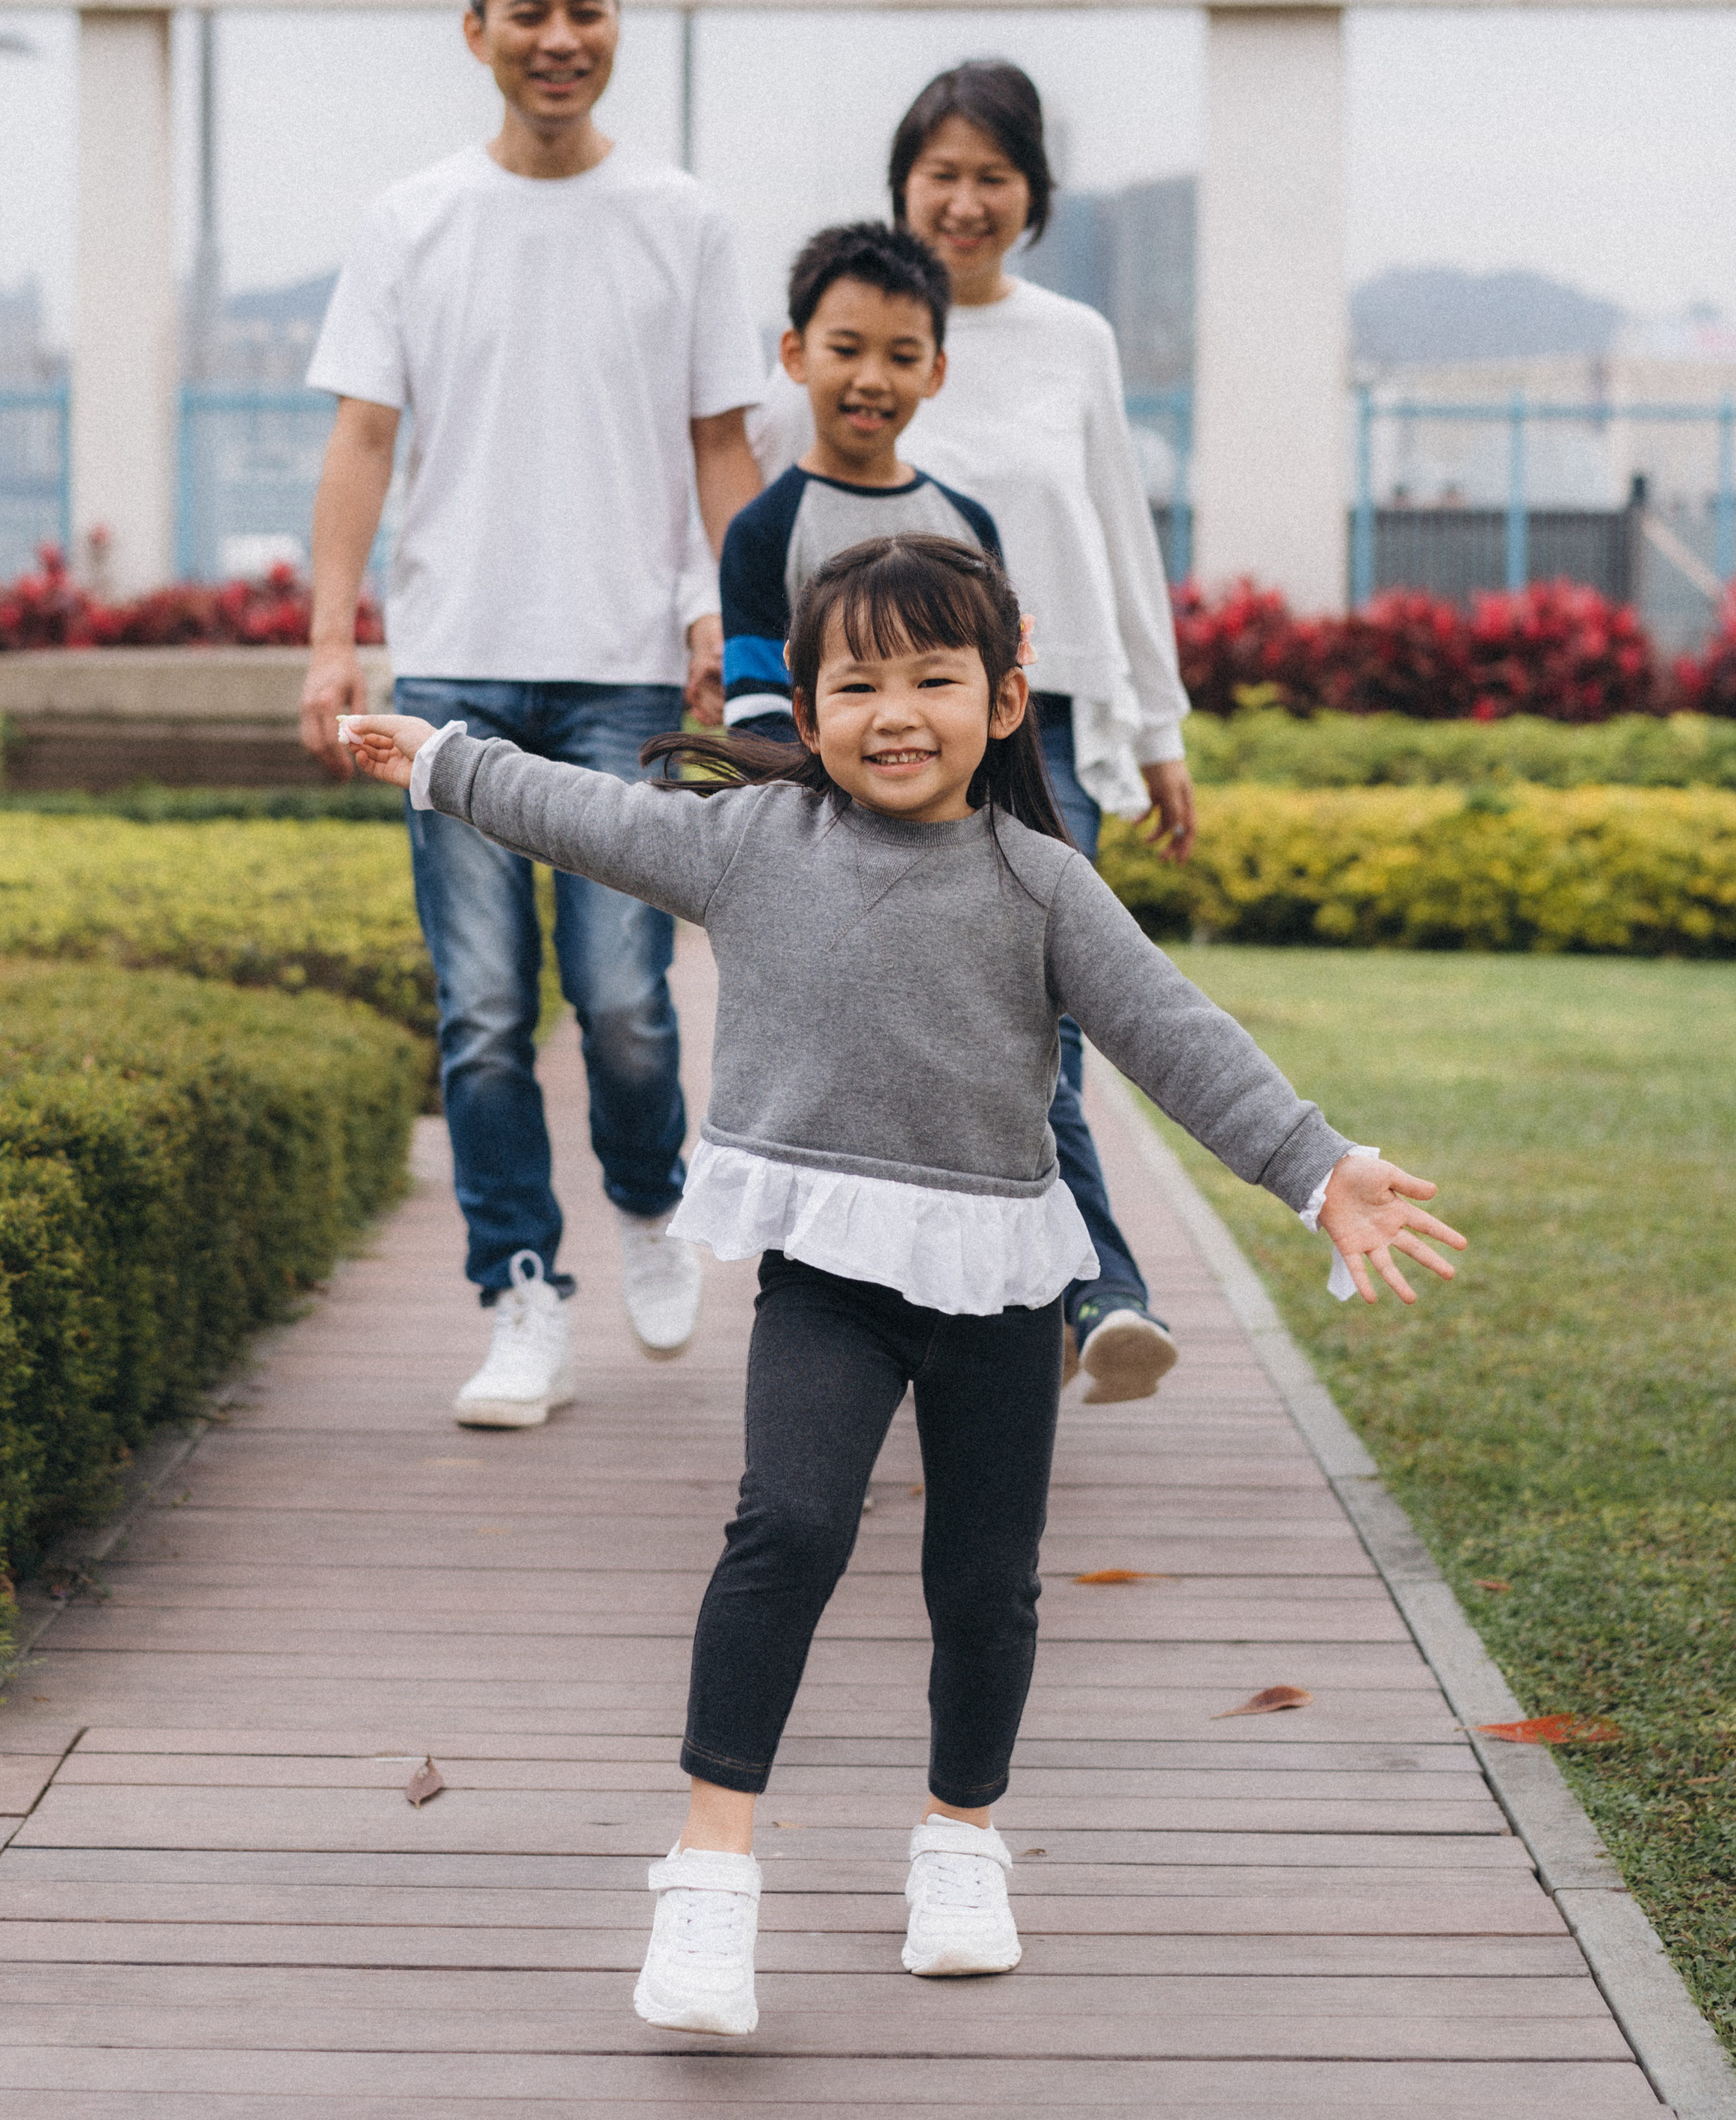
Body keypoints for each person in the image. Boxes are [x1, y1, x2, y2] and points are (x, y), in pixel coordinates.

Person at [341, 534, 1463, 2036]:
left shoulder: (1039, 883)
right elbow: (587, 816)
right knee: (786, 1525)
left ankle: (958, 1839)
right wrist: (443, 760)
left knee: (981, 1590)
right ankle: (708, 1874)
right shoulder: (751, 846)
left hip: (999, 1284)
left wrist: (1316, 1169)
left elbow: (1174, 1035)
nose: (893, 711)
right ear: (802, 716)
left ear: (1002, 701)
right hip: (826, 1276)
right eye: (854, 682)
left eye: (932, 678)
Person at [300, 0, 764, 1428]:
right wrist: (328, 642)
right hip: (448, 673)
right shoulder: (410, 219)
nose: (558, 38)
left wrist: (736, 629)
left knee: (626, 1004)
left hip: (623, 671)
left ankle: (648, 1197)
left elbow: (720, 446)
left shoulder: (683, 219)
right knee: (484, 1009)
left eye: (584, 10)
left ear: (614, 24)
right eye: (527, 12)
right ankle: (518, 1292)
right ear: (476, 31)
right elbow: (362, 435)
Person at [752, 60, 1194, 1410]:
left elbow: (1120, 535)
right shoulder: (858, 333)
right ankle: (935, 1303)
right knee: (904, 1022)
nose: (964, 199)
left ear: (1033, 197)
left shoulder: (1076, 342)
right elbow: (790, 522)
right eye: (940, 173)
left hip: (1039, 725)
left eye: (992, 176)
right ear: (903, 186)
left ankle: (1101, 1293)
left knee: (1037, 1019)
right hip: (880, 726)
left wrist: (1162, 727)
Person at [720, 221, 1001, 741]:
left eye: (902, 357)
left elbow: (991, 696)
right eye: (846, 350)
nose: (871, 380)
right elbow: (758, 720)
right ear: (795, 355)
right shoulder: (762, 533)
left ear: (935, 371)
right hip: (811, 816)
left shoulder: (968, 526)